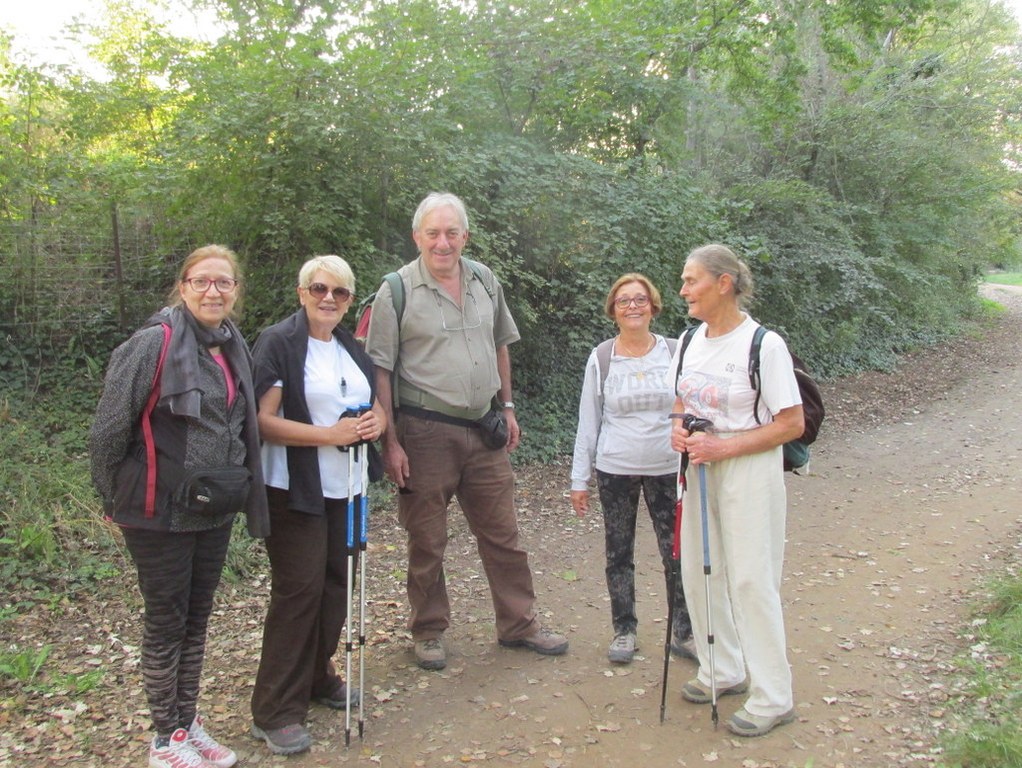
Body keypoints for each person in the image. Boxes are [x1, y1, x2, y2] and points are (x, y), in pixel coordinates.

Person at [365, 191, 568, 671]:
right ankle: (429, 630)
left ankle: (520, 625)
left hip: (485, 428)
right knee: (427, 538)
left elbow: (500, 344)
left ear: (465, 236)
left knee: (504, 534)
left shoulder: (484, 280)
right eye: (433, 233)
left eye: (451, 233)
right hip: (424, 433)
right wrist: (389, 441)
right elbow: (381, 371)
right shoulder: (395, 290)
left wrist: (509, 407)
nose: (443, 242)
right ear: (417, 237)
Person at [90, 244, 268, 768]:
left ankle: (186, 722)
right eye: (202, 281)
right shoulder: (153, 343)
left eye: (224, 282)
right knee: (166, 621)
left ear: (235, 291)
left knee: (196, 619)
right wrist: (109, 495)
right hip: (157, 508)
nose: (213, 291)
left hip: (212, 506)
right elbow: (107, 429)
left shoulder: (231, 344)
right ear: (183, 286)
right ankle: (165, 739)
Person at [248, 255, 385, 756]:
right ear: (302, 291)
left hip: (347, 490)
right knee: (298, 592)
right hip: (294, 490)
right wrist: (329, 435)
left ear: (349, 300)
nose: (329, 299)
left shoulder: (349, 345)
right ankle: (274, 711)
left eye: (341, 293)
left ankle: (317, 677)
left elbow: (373, 403)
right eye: (319, 289)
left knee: (336, 587)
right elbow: (261, 421)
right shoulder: (279, 342)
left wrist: (377, 423)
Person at [670, 243, 804, 737]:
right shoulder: (688, 340)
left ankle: (773, 696)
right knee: (698, 570)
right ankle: (721, 668)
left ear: (723, 283)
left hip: (748, 470)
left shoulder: (764, 345)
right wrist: (679, 429)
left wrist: (727, 447)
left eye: (691, 280)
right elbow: (681, 400)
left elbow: (791, 423)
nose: (683, 290)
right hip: (698, 467)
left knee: (751, 579)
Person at [570, 273, 694, 665]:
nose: (633, 307)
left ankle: (684, 631)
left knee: (676, 551)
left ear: (653, 306)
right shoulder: (603, 356)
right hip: (615, 468)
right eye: (624, 301)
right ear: (613, 310)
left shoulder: (676, 352)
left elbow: (692, 406)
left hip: (667, 467)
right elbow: (588, 420)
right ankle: (624, 629)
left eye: (640, 299)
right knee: (618, 552)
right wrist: (580, 479)